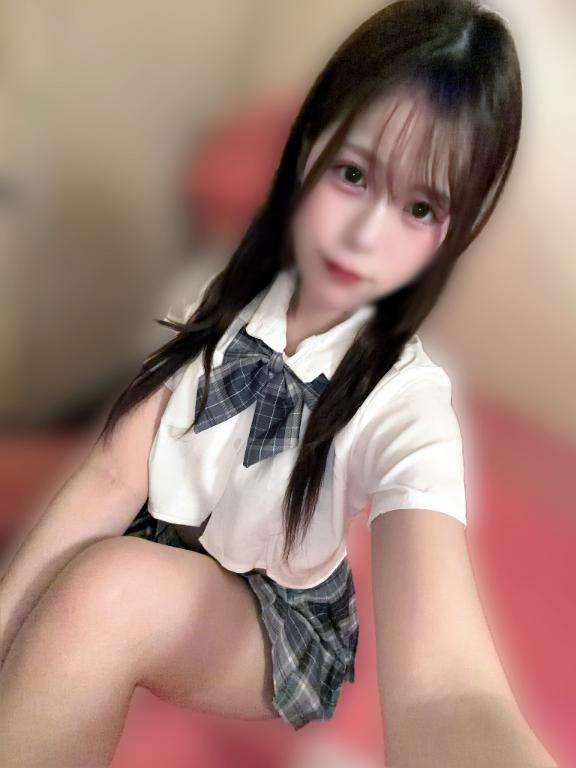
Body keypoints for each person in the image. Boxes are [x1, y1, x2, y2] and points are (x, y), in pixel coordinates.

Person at [0, 1, 558, 766]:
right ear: (307, 148)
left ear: (455, 230)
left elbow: (445, 690)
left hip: (276, 618)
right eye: (353, 175)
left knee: (103, 588)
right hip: (174, 546)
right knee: (71, 576)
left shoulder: (409, 405)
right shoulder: (220, 297)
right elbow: (111, 474)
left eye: (420, 207)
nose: (365, 237)